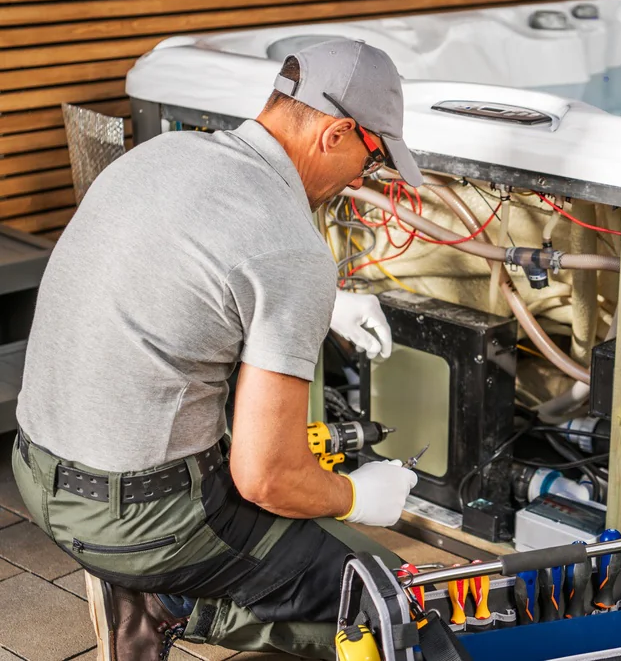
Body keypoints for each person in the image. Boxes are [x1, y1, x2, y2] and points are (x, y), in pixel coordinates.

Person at [12, 37, 424, 660]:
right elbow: (268, 478)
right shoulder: (288, 247)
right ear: (336, 133)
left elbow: (176, 272)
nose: (363, 179)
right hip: (138, 523)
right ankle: (169, 597)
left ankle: (149, 595)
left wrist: (324, 300)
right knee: (390, 598)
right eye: (372, 160)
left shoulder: (165, 154)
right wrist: (360, 497)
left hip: (35, 469)